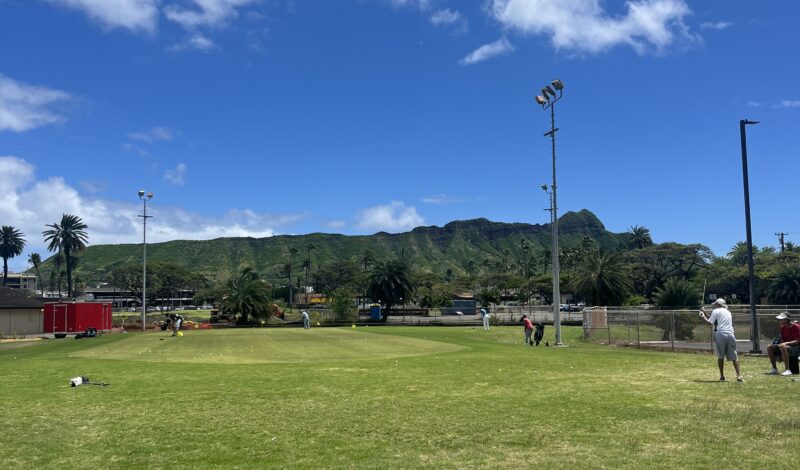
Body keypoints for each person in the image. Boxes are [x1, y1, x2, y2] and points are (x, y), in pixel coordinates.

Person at [698, 298, 743, 382]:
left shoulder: (716, 311)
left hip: (721, 334)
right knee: (734, 356)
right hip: (730, 334)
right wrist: (704, 312)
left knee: (720, 356)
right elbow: (713, 319)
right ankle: (739, 376)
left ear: (718, 304)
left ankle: (722, 376)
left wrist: (702, 316)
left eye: (715, 304)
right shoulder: (728, 312)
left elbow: (710, 322)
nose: (714, 306)